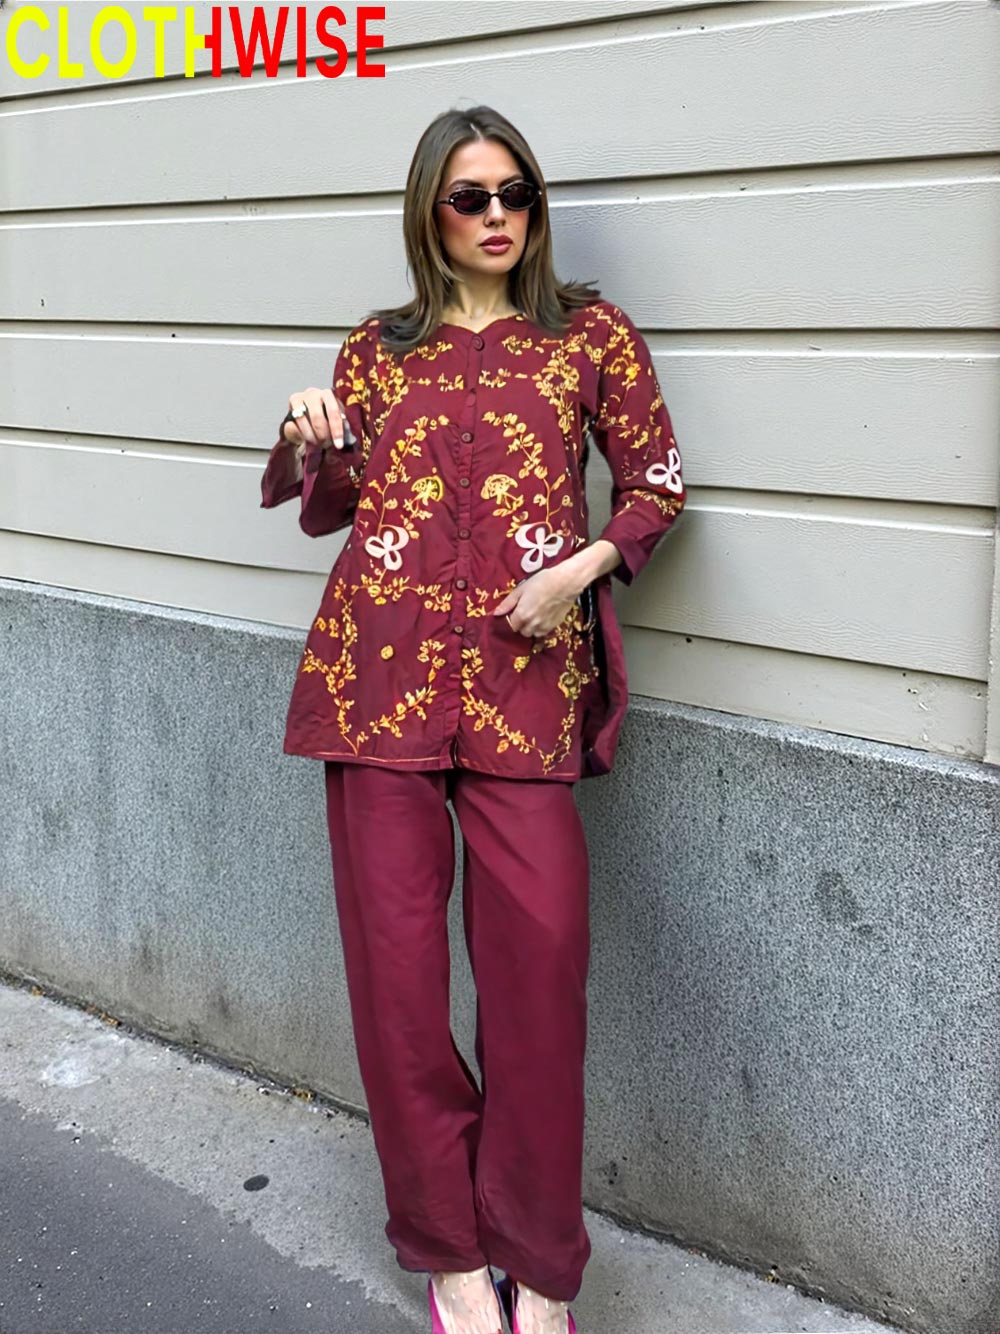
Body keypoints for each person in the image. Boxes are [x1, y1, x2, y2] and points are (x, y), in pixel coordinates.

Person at [260, 105, 686, 1334]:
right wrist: (311, 435)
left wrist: (583, 566)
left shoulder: (587, 336)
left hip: (522, 689)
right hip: (373, 685)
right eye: (470, 197)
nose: (498, 215)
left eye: (516, 193)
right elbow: (330, 506)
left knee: (540, 975)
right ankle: (449, 1254)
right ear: (427, 214)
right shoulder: (377, 350)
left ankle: (541, 1269)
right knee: (398, 987)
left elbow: (656, 483)